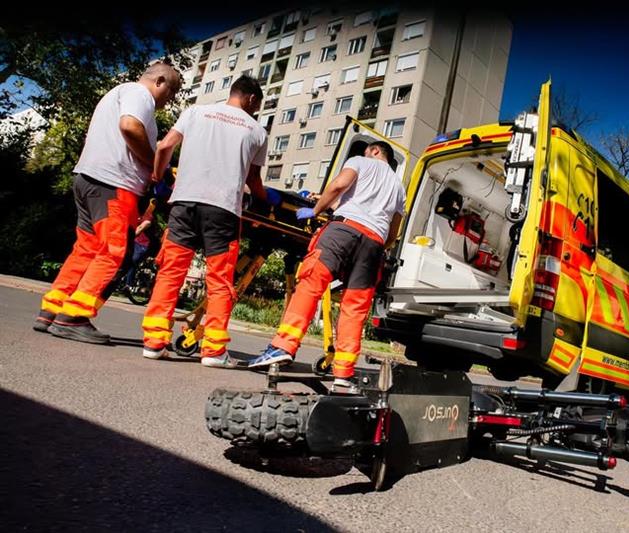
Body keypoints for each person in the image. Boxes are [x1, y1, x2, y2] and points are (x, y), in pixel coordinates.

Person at [36, 63, 182, 343]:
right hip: (114, 185)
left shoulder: (116, 94)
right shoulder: (140, 94)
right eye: (171, 92)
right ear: (160, 81)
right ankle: (73, 317)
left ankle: (53, 309)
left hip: (89, 179)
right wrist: (155, 166)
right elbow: (129, 126)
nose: (170, 99)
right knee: (115, 251)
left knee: (86, 249)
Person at [249, 141, 406, 392]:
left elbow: (339, 185)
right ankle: (343, 372)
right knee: (355, 306)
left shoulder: (360, 162)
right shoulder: (398, 187)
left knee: (311, 283)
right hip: (374, 243)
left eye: (367, 150)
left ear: (375, 151)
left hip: (343, 231)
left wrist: (315, 209)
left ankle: (283, 347)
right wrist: (376, 244)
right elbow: (393, 231)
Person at [141, 75, 270, 368]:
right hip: (223, 210)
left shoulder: (195, 112)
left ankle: (154, 342)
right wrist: (265, 201)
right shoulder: (256, 130)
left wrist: (158, 176)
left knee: (171, 272)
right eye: (257, 105)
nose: (255, 110)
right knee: (220, 280)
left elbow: (164, 146)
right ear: (252, 99)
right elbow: (253, 179)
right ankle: (213, 351)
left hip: (184, 202)